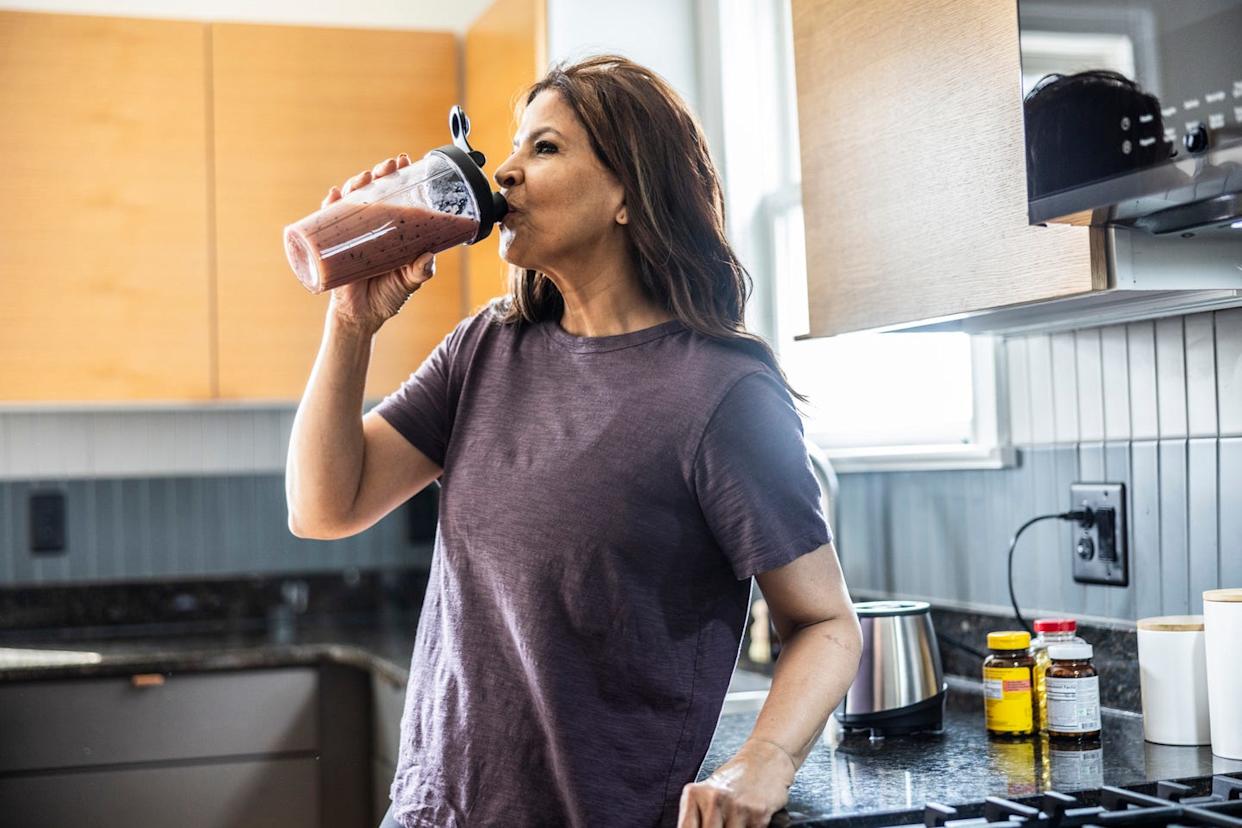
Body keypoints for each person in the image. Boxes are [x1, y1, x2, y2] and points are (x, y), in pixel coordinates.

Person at [286, 54, 862, 828]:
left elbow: (825, 623)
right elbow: (325, 506)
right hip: (432, 812)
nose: (508, 177)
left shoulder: (722, 395)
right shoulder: (486, 349)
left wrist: (765, 758)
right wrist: (350, 322)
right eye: (513, 150)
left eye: (544, 149)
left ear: (630, 192)